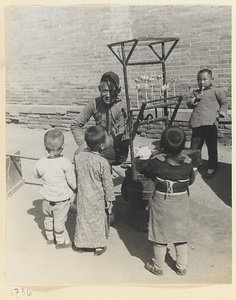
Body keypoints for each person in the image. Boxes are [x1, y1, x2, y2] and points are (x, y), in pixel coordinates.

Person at [139, 126, 196, 276]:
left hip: (162, 201)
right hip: (181, 200)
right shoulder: (188, 163)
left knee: (160, 233)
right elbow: (190, 181)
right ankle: (182, 266)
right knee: (181, 232)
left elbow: (145, 170)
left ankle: (158, 266)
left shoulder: (157, 162)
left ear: (162, 146)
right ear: (183, 146)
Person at [71, 71, 130, 166]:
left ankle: (103, 178)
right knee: (79, 156)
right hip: (97, 146)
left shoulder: (122, 108)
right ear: (99, 89)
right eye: (104, 91)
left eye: (112, 91)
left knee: (92, 158)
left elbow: (114, 139)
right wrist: (83, 144)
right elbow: (75, 124)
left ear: (118, 90)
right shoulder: (95, 103)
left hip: (117, 150)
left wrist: (90, 148)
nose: (108, 95)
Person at [73, 126, 115, 256]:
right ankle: (98, 246)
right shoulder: (102, 162)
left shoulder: (79, 158)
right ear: (102, 146)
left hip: (83, 196)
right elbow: (108, 183)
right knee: (97, 220)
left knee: (82, 219)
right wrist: (110, 199)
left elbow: (76, 174)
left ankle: (81, 245)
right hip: (97, 198)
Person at [34, 129, 76, 249]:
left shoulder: (41, 162)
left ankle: (50, 238)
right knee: (59, 220)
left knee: (48, 218)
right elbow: (72, 181)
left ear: (44, 146)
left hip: (46, 198)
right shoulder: (65, 162)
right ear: (63, 146)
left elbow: (36, 175)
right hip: (61, 199)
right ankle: (60, 241)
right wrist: (76, 188)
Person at [187, 68, 229, 178]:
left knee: (211, 147)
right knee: (195, 147)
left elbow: (224, 103)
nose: (201, 82)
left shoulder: (216, 91)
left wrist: (220, 114)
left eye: (204, 79)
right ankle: (194, 165)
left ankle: (212, 166)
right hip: (197, 124)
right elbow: (189, 104)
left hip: (210, 124)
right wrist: (195, 100)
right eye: (199, 80)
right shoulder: (195, 92)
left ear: (211, 79)